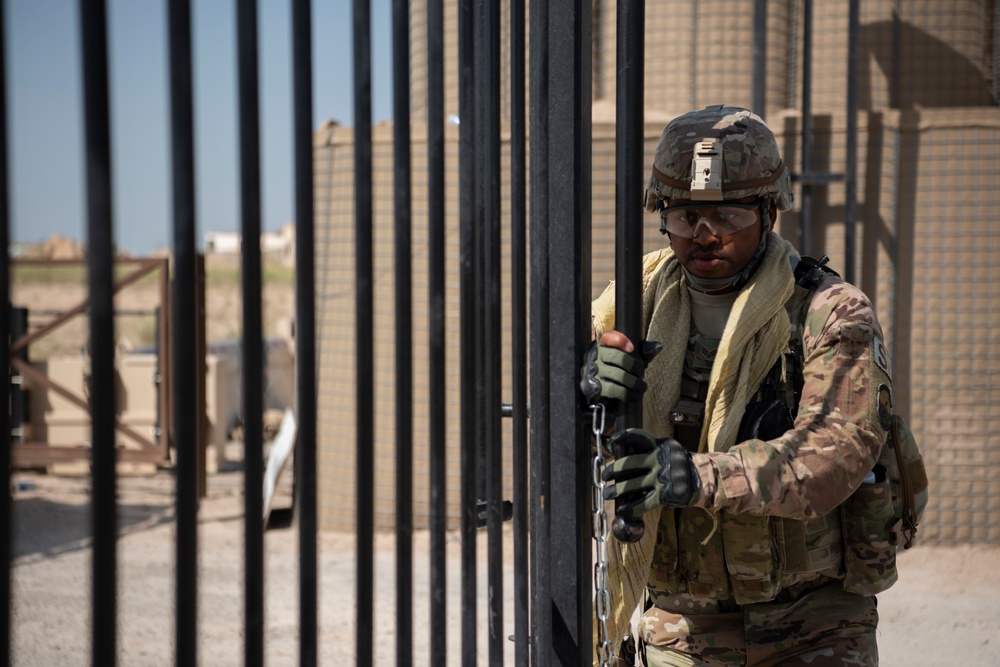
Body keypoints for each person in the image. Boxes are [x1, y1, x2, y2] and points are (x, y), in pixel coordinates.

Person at [580, 105, 902, 666]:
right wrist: (586, 389)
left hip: (811, 622)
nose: (704, 236)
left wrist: (694, 475)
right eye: (684, 217)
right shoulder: (633, 303)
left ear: (769, 212)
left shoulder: (828, 312)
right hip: (682, 624)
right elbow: (557, 425)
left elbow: (835, 455)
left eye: (727, 216)